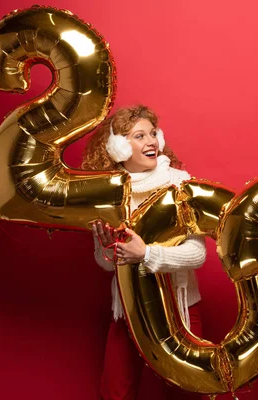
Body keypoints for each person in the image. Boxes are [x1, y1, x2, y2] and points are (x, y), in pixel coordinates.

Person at [82, 105, 206, 400]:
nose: (151, 141)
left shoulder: (179, 182)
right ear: (119, 147)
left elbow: (197, 254)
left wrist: (147, 254)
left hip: (180, 309)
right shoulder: (108, 193)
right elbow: (105, 263)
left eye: (153, 134)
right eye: (140, 136)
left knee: (186, 391)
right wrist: (108, 247)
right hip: (129, 308)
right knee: (116, 391)